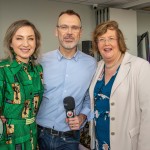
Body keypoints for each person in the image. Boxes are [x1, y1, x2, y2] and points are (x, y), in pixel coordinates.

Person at [36, 10, 97, 150]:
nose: (69, 32)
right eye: (64, 27)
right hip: (39, 135)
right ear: (56, 31)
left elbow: (90, 96)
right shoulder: (41, 62)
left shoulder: (91, 64)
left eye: (74, 28)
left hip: (70, 138)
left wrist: (83, 116)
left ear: (80, 32)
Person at [89, 20, 150, 150]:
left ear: (119, 41)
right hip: (99, 142)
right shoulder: (98, 67)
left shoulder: (140, 67)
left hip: (125, 143)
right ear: (97, 44)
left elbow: (148, 115)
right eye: (101, 39)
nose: (106, 43)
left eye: (111, 38)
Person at [0, 19, 44, 150]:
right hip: (10, 140)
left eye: (30, 39)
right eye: (19, 38)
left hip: (32, 135)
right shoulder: (3, 70)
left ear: (36, 43)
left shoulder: (38, 70)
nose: (26, 44)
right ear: (10, 42)